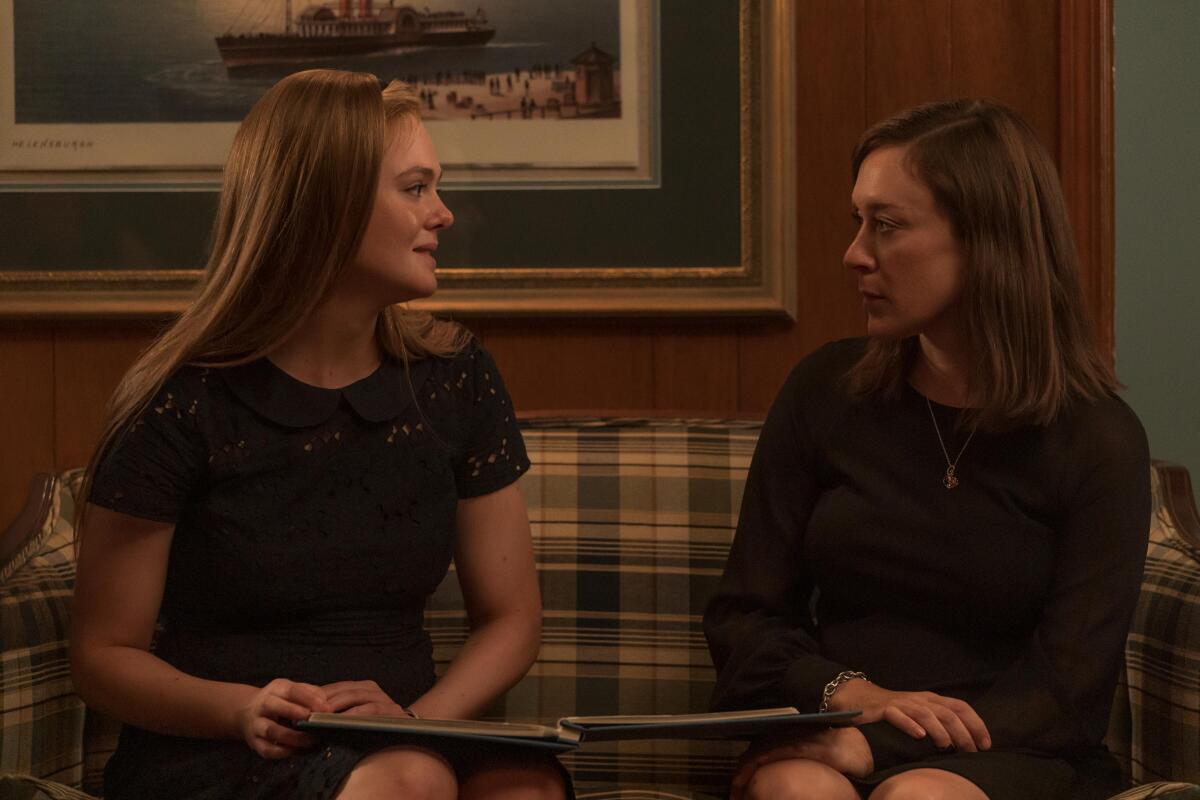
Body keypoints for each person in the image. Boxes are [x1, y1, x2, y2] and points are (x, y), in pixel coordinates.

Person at [69, 69, 569, 800]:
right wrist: (241, 709)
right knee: (410, 782)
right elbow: (101, 655)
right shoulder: (181, 402)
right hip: (220, 744)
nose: (444, 214)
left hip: (414, 729)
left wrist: (413, 721)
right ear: (327, 207)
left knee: (518, 788)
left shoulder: (455, 378)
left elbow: (513, 619)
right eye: (415, 188)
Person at [703, 98, 1149, 800]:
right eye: (858, 222)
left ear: (986, 241)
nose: (855, 253)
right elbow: (743, 616)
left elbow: (1067, 690)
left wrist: (871, 741)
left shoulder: (1097, 438)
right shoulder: (826, 391)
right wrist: (850, 696)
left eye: (885, 225)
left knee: (919, 798)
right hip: (832, 726)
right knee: (796, 787)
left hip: (1012, 747)